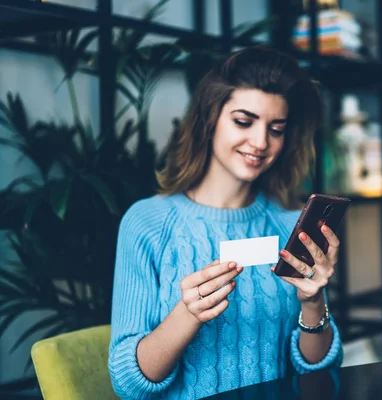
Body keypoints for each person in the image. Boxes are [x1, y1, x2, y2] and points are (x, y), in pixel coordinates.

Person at [108, 45, 344, 399]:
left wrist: (313, 302)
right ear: (209, 120)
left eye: (276, 129)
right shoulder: (148, 224)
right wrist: (188, 314)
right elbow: (128, 384)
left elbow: (320, 371)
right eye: (243, 122)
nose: (261, 142)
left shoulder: (290, 226)